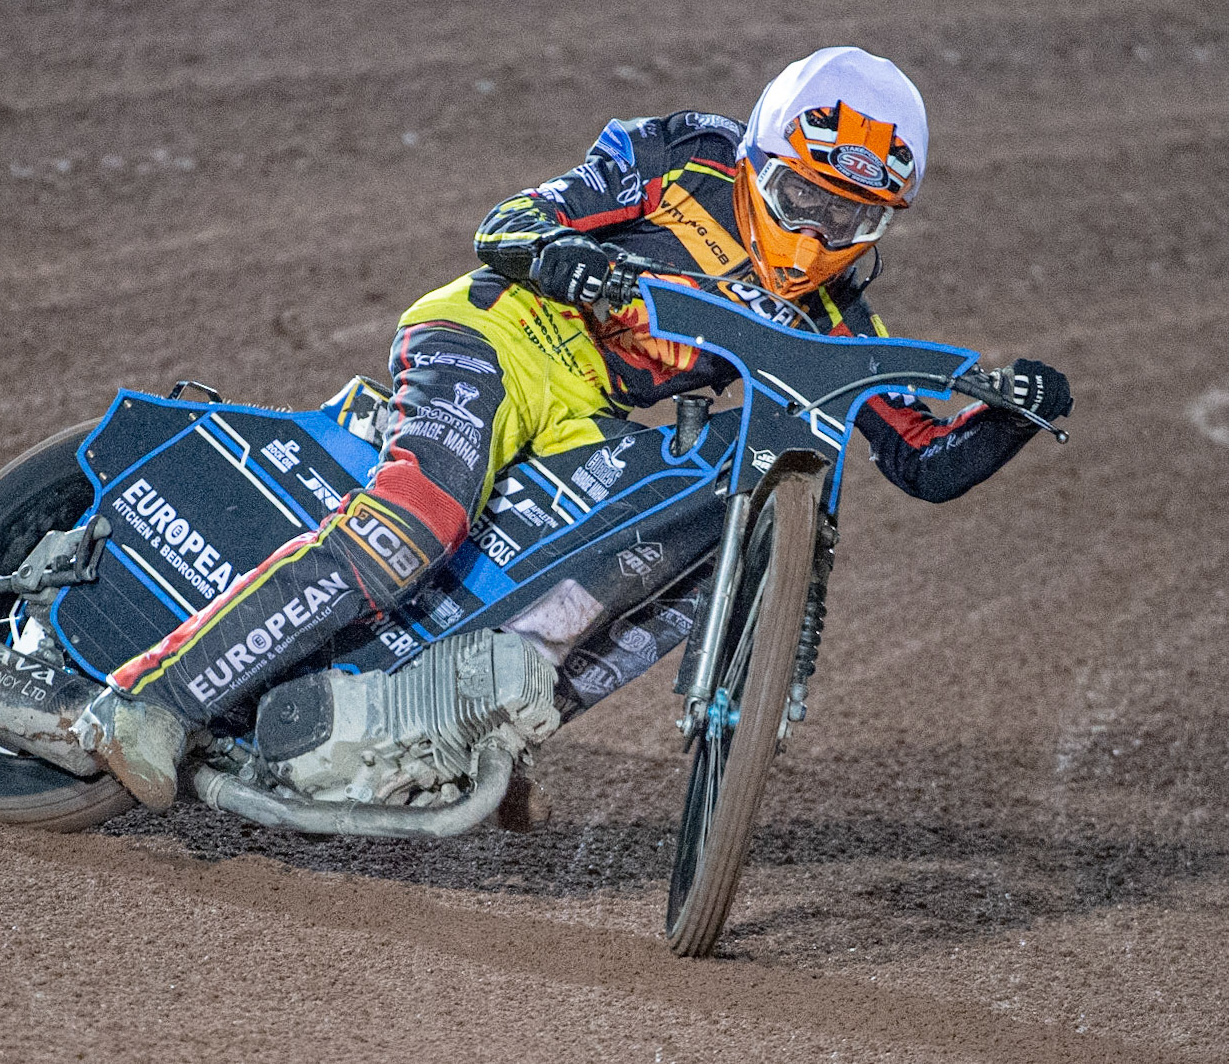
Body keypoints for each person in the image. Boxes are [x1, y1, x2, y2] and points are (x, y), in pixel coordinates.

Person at [57, 46, 1074, 811]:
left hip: (582, 414)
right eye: (803, 195)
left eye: (850, 219)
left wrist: (1017, 410)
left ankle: (463, 738)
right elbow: (505, 226)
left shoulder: (838, 320)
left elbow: (925, 462)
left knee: (641, 565)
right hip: (495, 336)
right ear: (761, 158)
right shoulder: (677, 155)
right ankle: (154, 703)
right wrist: (563, 258)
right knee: (417, 521)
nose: (816, 236)